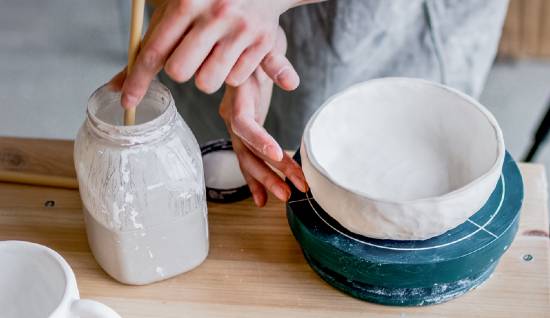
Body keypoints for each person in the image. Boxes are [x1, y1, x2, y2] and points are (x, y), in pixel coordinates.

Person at [110, 0, 510, 207]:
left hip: (391, 25)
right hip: (223, 17)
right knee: (211, 154)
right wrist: (238, 40)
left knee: (371, 168)